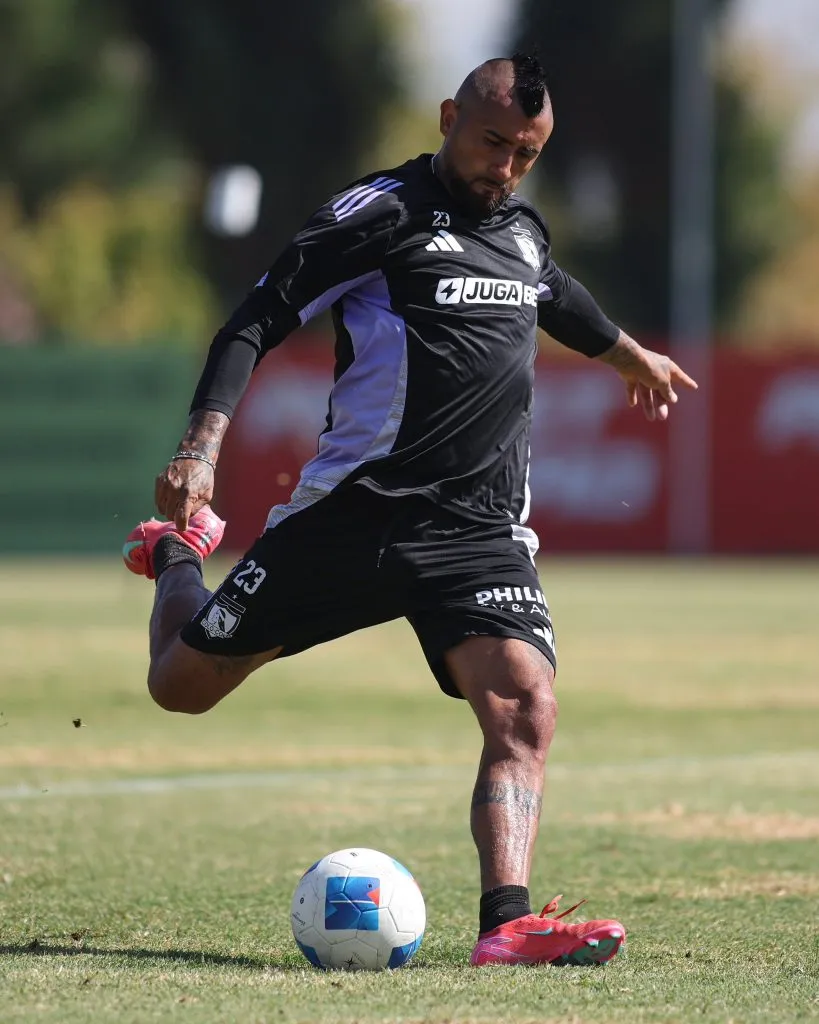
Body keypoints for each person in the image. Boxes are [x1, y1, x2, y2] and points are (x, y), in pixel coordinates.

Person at [123, 53, 696, 967]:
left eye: (526, 154)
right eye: (491, 142)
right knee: (179, 688)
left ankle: (505, 925)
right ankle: (177, 555)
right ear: (446, 118)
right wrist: (201, 449)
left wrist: (627, 354)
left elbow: (558, 294)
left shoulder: (519, 231)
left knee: (525, 706)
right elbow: (255, 320)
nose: (503, 168)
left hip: (477, 533)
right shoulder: (377, 215)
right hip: (356, 518)